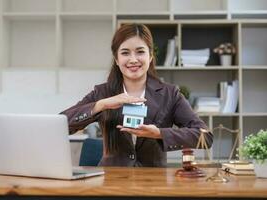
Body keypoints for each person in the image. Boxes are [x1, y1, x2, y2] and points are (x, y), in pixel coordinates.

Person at [60, 23, 213, 167]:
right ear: (117, 60)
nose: (133, 60)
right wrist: (101, 105)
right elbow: (61, 126)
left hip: (153, 183)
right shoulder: (102, 93)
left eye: (140, 52)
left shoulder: (170, 94)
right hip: (111, 181)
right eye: (125, 53)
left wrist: (160, 133)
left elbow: (205, 136)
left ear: (150, 56)